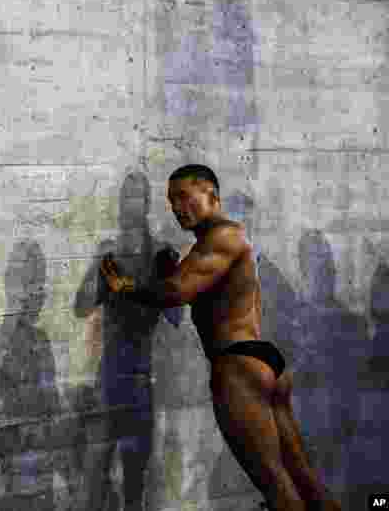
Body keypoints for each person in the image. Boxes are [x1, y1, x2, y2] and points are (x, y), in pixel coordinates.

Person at [99, 164, 341, 511]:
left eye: (184, 196)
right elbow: (198, 293)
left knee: (276, 484)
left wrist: (127, 286)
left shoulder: (222, 237)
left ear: (211, 194)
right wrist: (171, 271)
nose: (178, 208)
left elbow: (175, 293)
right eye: (171, 202)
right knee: (304, 480)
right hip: (261, 362)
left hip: (238, 366)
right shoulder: (219, 243)